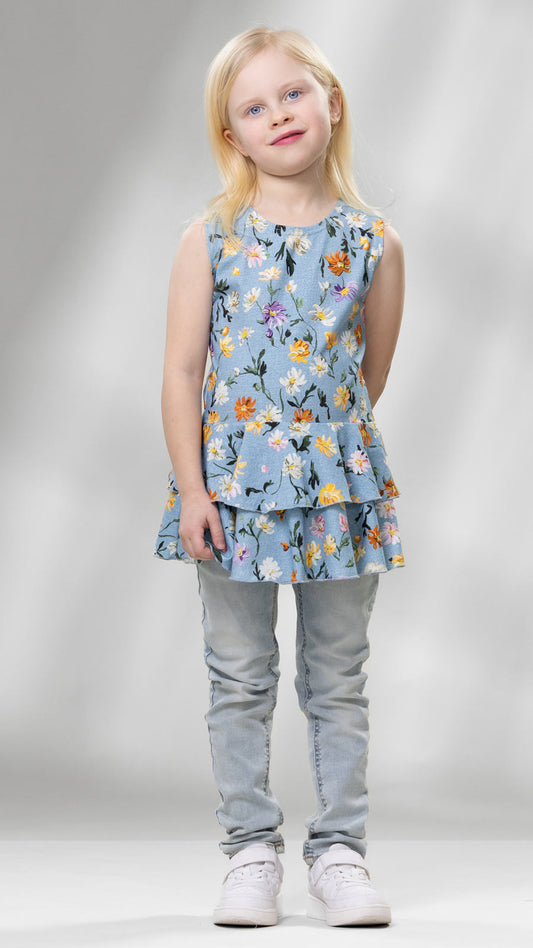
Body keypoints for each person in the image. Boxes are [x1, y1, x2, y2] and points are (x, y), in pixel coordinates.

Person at [154, 26, 405, 928]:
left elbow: (368, 373)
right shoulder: (211, 238)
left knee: (336, 676)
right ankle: (249, 853)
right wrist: (195, 489)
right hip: (231, 492)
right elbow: (181, 372)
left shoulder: (374, 241)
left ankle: (339, 853)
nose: (279, 116)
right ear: (233, 137)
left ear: (330, 101)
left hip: (338, 493)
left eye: (292, 94)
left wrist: (321, 447)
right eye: (253, 108)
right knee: (239, 675)